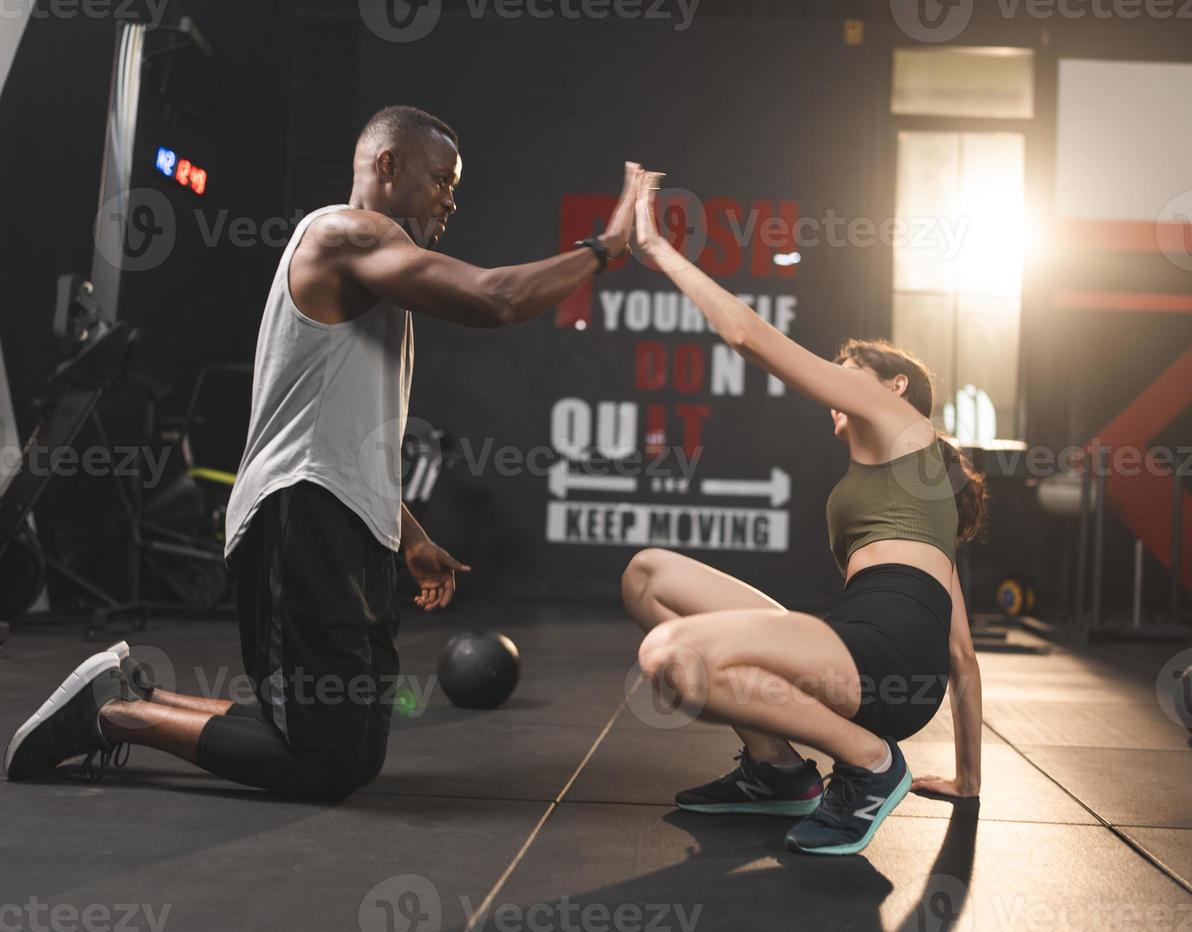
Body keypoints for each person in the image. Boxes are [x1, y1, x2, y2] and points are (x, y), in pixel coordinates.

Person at [5, 106, 644, 803]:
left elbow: (338, 427)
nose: (451, 198)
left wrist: (410, 534)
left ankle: (129, 691)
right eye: (440, 179)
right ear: (387, 166)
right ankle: (112, 715)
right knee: (323, 761)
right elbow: (495, 298)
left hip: (340, 517)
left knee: (353, 751)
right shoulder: (344, 233)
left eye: (456, 186)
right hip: (299, 513)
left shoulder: (373, 266)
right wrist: (605, 248)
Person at [620, 172, 986, 856]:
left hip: (884, 656)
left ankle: (872, 764)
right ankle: (779, 771)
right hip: (866, 643)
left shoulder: (903, 421)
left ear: (897, 387)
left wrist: (657, 248)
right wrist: (968, 779)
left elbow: (747, 335)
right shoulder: (912, 487)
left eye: (848, 371)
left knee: (670, 658)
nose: (834, 385)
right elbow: (962, 652)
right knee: (648, 576)